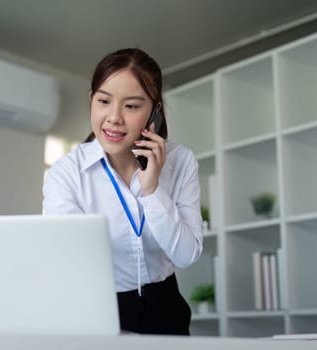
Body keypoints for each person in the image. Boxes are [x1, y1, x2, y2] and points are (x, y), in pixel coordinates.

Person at [42, 48, 203, 335]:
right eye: (104, 101)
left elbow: (186, 255)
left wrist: (152, 190)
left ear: (155, 111)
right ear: (92, 101)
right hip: (100, 311)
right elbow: (69, 261)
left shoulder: (180, 161)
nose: (114, 118)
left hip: (167, 309)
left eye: (131, 106)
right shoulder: (66, 174)